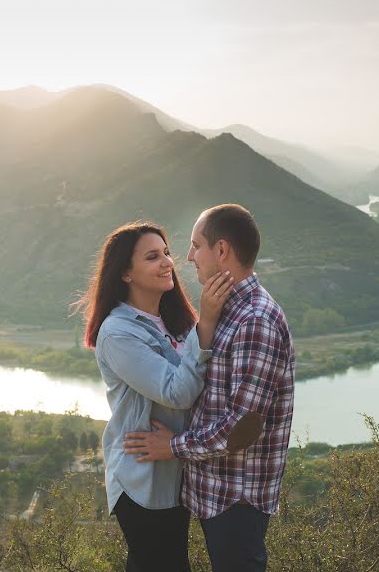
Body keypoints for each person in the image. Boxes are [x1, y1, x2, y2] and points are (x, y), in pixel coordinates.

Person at [124, 204, 296, 572]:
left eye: (195, 245)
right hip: (213, 492)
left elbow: (240, 430)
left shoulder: (255, 321)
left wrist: (171, 446)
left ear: (222, 251)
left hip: (236, 498)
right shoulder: (224, 311)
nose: (187, 257)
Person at [79, 221, 234, 572]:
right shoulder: (119, 332)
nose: (167, 262)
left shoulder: (172, 321)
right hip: (142, 480)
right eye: (152, 256)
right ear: (125, 274)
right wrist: (206, 323)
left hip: (175, 471)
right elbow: (176, 392)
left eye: (166, 253)